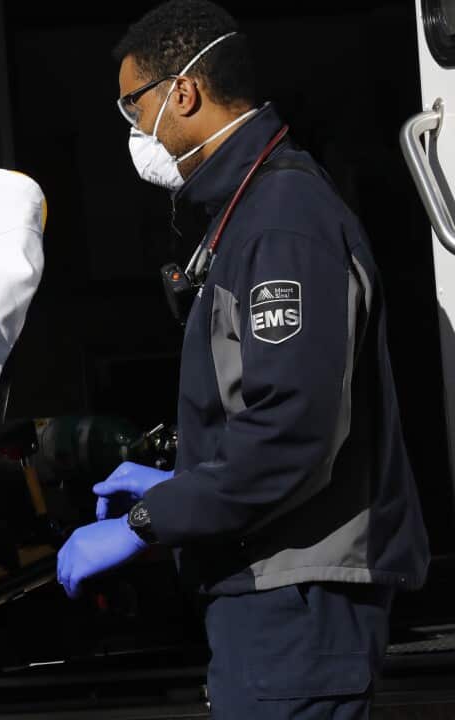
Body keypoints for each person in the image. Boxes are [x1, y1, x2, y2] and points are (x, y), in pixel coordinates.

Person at [55, 1, 430, 716]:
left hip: (298, 596)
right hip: (270, 585)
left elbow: (292, 429)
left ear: (183, 94)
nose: (133, 128)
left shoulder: (282, 221)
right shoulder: (246, 214)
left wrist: (146, 522)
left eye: (133, 106)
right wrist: (183, 480)